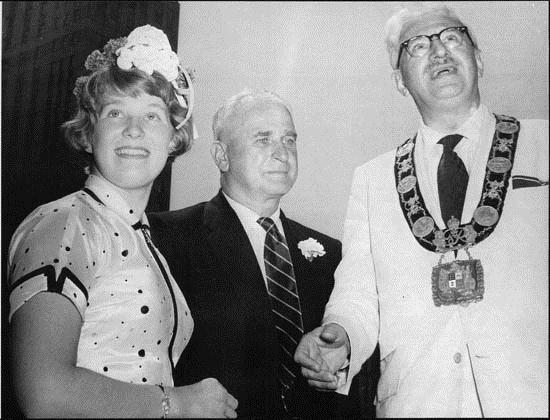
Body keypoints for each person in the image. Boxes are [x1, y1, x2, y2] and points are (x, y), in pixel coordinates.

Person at [295, 3, 548, 418]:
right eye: (417, 46)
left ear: (479, 59)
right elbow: (358, 295)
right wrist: (340, 336)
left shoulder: (544, 144)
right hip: (418, 402)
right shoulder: (372, 180)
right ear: (399, 80)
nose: (439, 52)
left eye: (452, 37)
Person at [7, 25, 238, 418]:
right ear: (89, 132)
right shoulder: (66, 223)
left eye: (151, 115)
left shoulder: (146, 241)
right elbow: (44, 392)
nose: (134, 130)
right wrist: (177, 403)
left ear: (173, 138)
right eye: (115, 112)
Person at [148, 89, 374, 418]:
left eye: (289, 140)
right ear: (222, 156)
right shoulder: (166, 239)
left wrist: (338, 366)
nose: (282, 154)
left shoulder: (332, 254)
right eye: (263, 139)